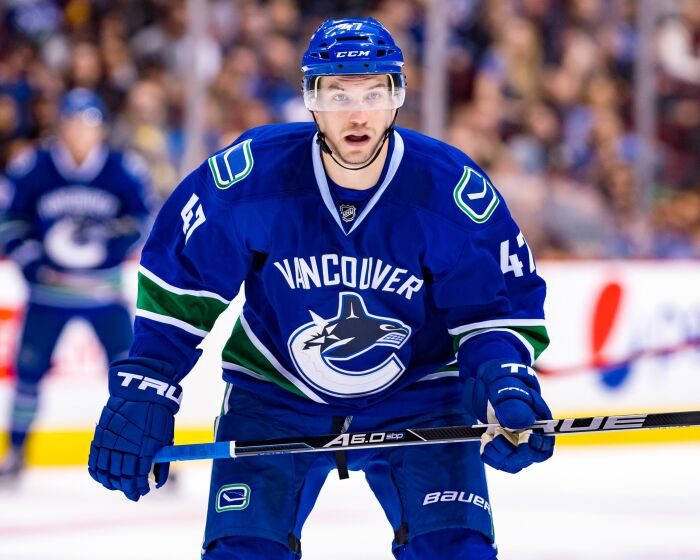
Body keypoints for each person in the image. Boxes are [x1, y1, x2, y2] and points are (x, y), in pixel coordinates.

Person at [88, 18, 554, 559]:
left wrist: (503, 379)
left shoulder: (446, 188)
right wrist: (147, 381)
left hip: (420, 397)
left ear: (397, 96)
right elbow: (182, 283)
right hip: (274, 395)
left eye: (374, 93)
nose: (357, 114)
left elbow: (492, 306)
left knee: (456, 552)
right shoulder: (252, 178)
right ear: (311, 97)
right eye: (338, 94)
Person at [0, 88, 154, 480]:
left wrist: (116, 243)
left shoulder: (123, 169)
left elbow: (143, 220)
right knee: (28, 373)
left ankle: (148, 450)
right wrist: (32, 262)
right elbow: (10, 222)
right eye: (72, 122)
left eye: (88, 123)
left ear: (101, 128)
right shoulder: (32, 167)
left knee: (130, 376)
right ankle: (16, 450)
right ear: (61, 125)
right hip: (47, 295)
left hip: (103, 294)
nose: (80, 131)